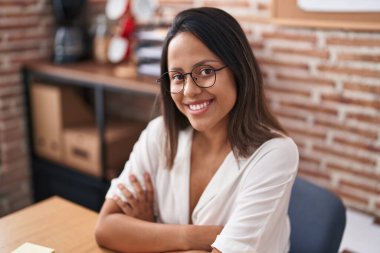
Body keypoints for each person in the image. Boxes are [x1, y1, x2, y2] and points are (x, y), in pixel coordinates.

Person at [95, 7, 299, 253]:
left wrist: (149, 231)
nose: (189, 91)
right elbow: (106, 228)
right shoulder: (159, 134)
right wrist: (199, 237)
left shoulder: (275, 153)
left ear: (238, 71)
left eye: (206, 71)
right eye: (177, 77)